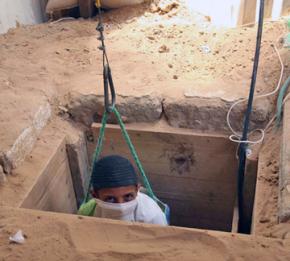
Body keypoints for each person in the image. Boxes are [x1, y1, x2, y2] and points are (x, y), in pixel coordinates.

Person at [78, 155, 168, 225]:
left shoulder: (153, 217)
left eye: (128, 196)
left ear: (137, 190)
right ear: (95, 196)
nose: (121, 206)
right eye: (110, 199)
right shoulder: (88, 212)